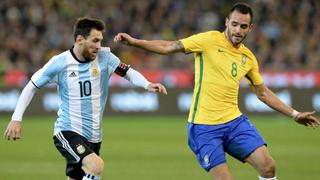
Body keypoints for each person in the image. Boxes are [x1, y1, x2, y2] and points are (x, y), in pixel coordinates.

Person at [114, 3, 320, 180]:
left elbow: (263, 93)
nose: (238, 30)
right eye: (235, 24)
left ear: (250, 28)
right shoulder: (208, 40)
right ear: (226, 22)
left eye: (243, 26)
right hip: (203, 128)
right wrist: (134, 42)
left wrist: (294, 114)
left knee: (268, 166)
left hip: (234, 122)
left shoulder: (248, 58)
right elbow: (169, 46)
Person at [3, 17, 167, 180]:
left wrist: (147, 84)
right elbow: (31, 86)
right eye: (95, 41)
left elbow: (128, 72)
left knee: (79, 176)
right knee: (96, 166)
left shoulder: (105, 57)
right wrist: (16, 119)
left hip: (94, 136)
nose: (98, 46)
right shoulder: (60, 63)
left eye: (100, 41)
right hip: (68, 131)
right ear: (80, 39)